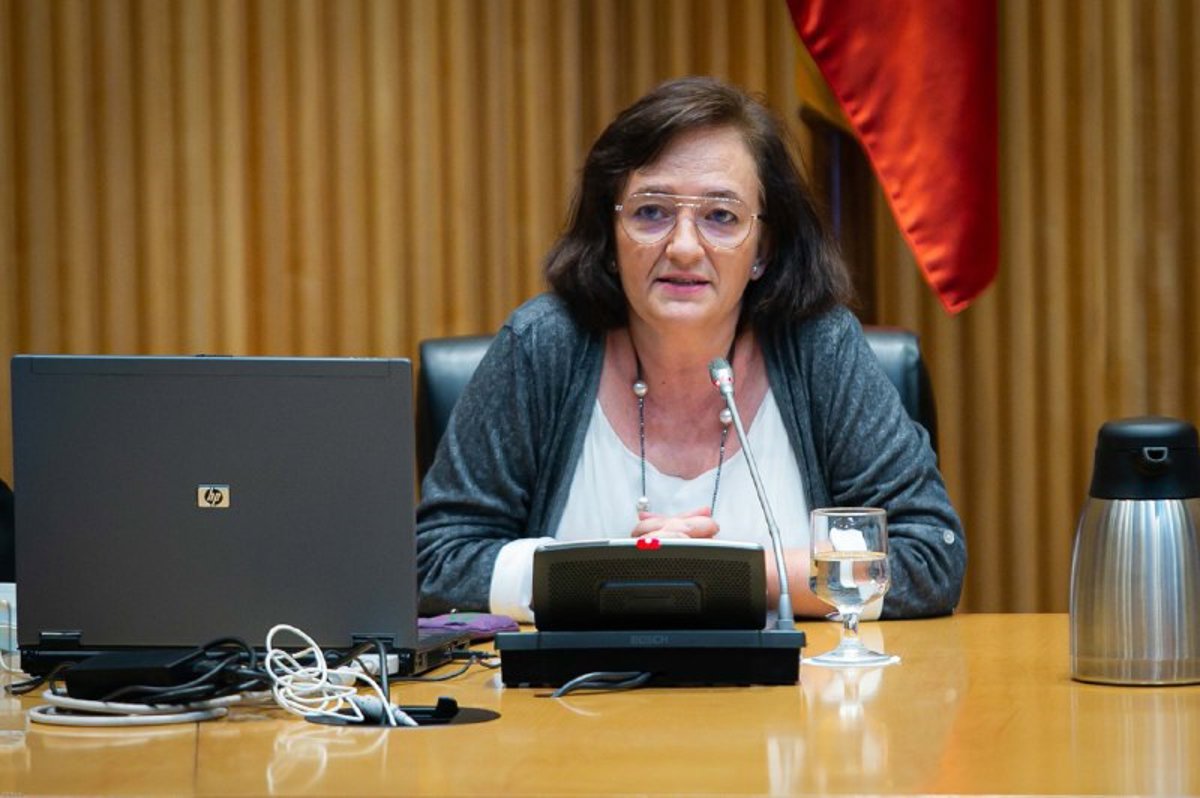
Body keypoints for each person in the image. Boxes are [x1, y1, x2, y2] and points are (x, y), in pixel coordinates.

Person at [416, 76, 965, 622]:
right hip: (579, 682)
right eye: (651, 212)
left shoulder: (819, 347)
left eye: (721, 217)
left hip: (788, 683)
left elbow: (929, 558)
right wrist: (619, 571)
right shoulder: (543, 347)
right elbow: (435, 563)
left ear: (763, 248)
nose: (682, 247)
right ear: (610, 235)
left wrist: (728, 574)